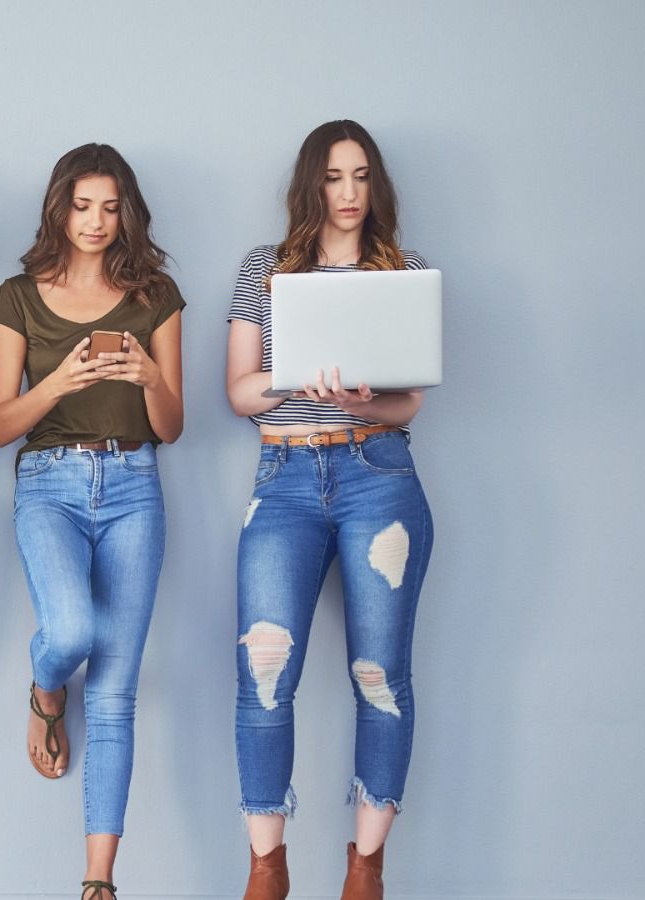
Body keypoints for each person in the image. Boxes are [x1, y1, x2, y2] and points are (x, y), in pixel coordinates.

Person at [225, 120, 433, 900]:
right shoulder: (264, 269)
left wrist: (362, 400)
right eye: (334, 178)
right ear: (311, 184)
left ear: (376, 186)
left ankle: (365, 869)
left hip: (377, 472)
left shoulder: (405, 271)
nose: (348, 194)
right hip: (284, 477)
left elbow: (412, 400)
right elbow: (240, 391)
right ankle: (266, 870)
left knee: (379, 673)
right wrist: (296, 380)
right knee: (264, 673)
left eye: (361, 177)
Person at [0, 143, 185, 900]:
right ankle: (44, 693)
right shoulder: (19, 296)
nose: (96, 221)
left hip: (136, 483)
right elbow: (1, 423)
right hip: (48, 483)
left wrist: (152, 377)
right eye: (82, 205)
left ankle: (98, 881)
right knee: (71, 635)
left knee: (116, 690)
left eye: (109, 207)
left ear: (125, 212)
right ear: (59, 209)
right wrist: (61, 380)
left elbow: (171, 427)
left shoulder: (155, 295)